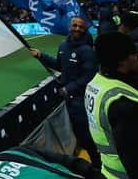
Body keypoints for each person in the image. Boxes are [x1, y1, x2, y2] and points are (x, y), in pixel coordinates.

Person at [30, 16, 100, 168]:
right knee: (80, 134)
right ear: (70, 26)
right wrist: (41, 56)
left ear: (85, 29)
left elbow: (89, 76)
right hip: (69, 101)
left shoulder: (87, 51)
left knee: (88, 136)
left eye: (80, 27)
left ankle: (97, 165)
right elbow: (59, 66)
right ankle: (93, 163)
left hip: (83, 100)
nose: (77, 28)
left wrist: (69, 88)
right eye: (74, 25)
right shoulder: (63, 46)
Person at [86, 32, 138, 178]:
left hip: (109, 171)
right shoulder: (124, 105)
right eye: (135, 54)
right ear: (122, 62)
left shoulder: (96, 83)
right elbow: (135, 159)